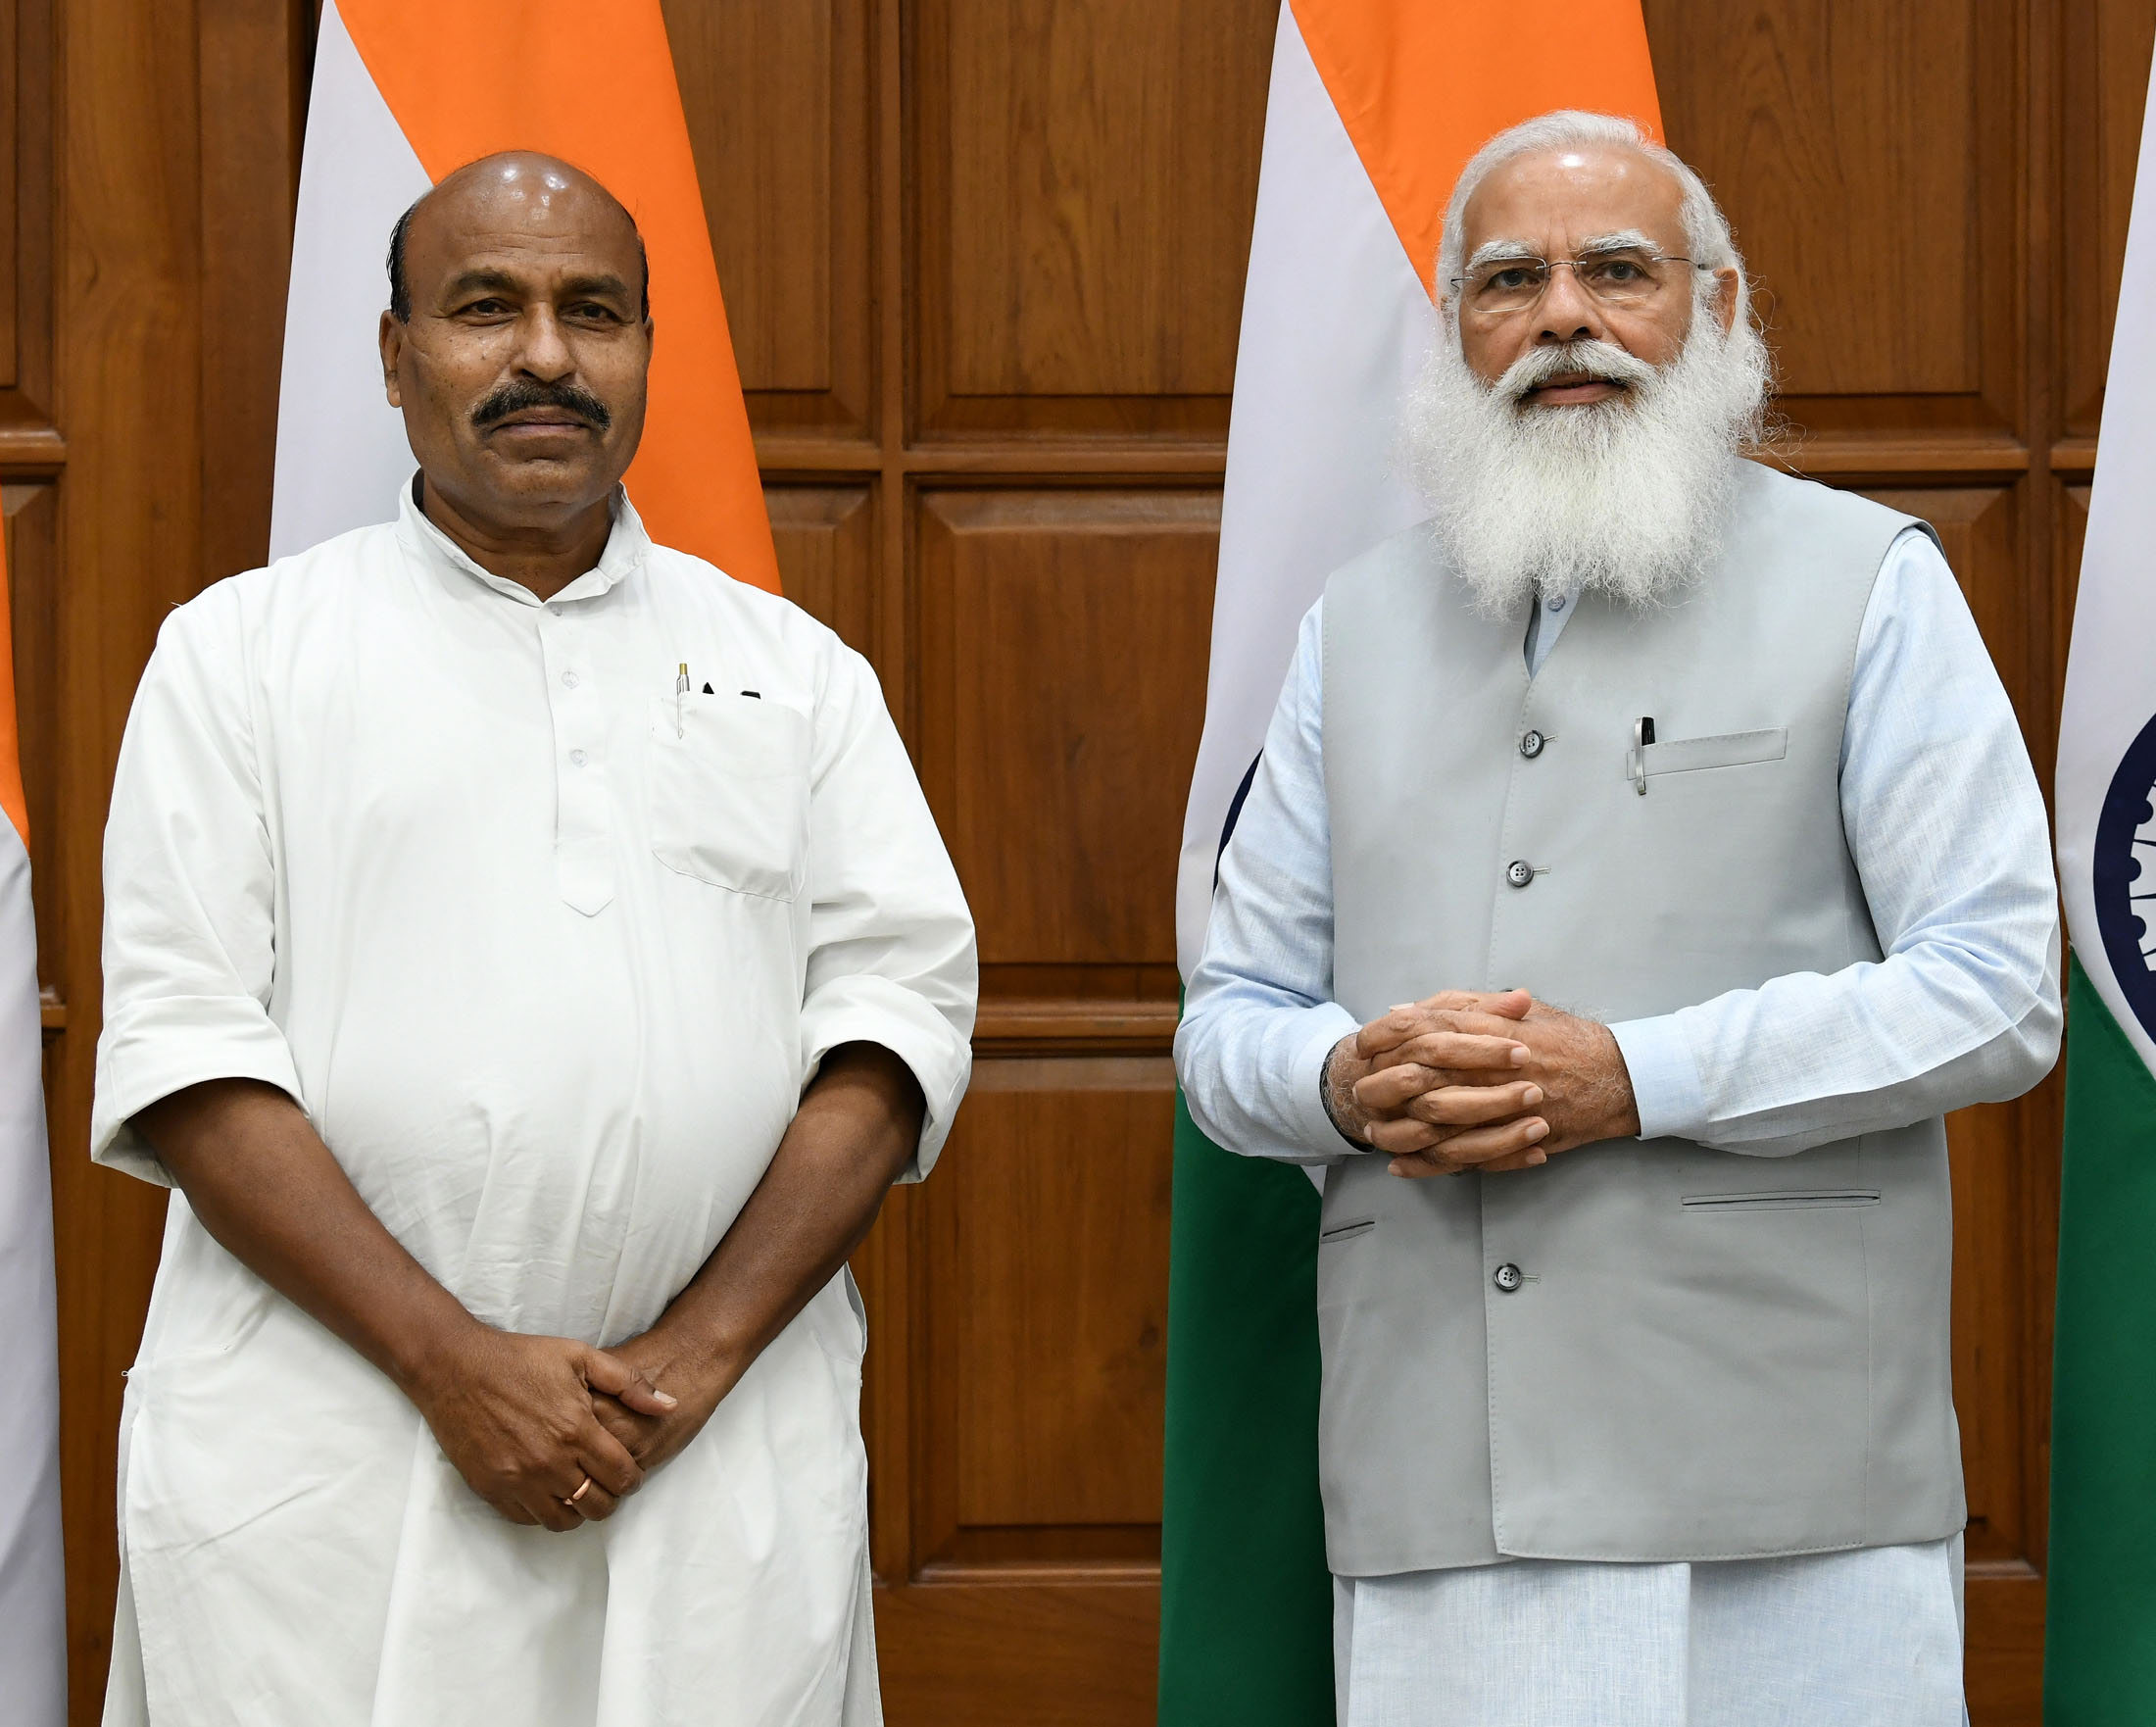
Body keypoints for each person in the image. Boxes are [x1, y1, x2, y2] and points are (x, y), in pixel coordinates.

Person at [1174, 110, 2060, 1726]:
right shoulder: (1351, 627)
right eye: (1510, 279)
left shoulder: (1871, 580)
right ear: (1457, 331)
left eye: (1618, 271)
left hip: (1789, 1489)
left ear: (1718, 308)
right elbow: (1229, 1021)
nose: (1564, 316)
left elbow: (1999, 986)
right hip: (1440, 1482)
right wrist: (1347, 1081)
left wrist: (1635, 1076)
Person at [93, 152, 975, 1726]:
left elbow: (898, 1023)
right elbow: (187, 1051)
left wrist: (694, 1358)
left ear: (647, 352)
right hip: (337, 1466)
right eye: (486, 308)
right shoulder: (240, 656)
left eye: (595, 312)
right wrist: (451, 1364)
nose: (548, 356)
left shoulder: (796, 671)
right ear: (394, 356)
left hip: (708, 1454)